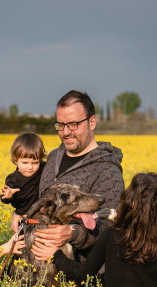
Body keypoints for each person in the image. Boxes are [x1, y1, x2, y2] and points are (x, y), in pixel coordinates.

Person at [35, 89, 125, 256]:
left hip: (79, 272)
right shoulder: (54, 157)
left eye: (73, 124)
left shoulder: (107, 169)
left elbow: (111, 225)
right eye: (60, 125)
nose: (65, 132)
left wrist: (72, 233)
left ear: (92, 122)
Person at [0, 132, 46, 232]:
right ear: (15, 160)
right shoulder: (13, 179)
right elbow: (5, 196)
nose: (30, 167)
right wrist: (8, 195)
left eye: (35, 162)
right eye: (25, 163)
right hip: (24, 221)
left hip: (42, 219)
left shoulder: (43, 169)